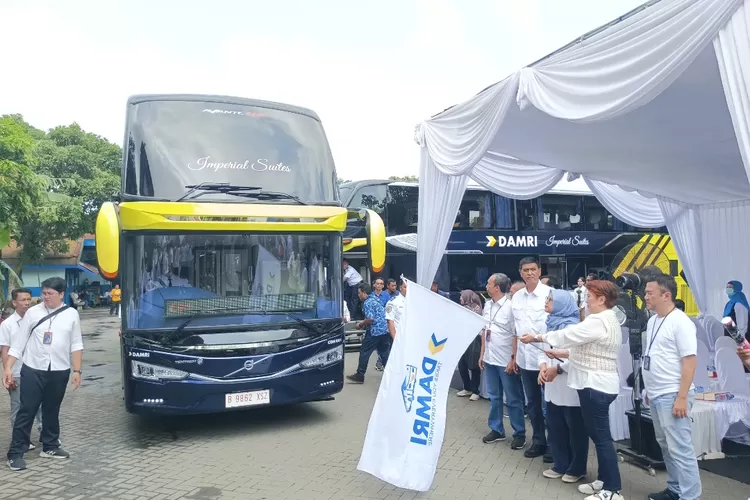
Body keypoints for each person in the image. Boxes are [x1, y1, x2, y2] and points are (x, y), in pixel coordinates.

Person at [520, 279, 623, 500]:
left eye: (590, 297)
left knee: (602, 439)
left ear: (602, 299)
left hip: (596, 385)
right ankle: (604, 481)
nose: (585, 301)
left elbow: (567, 336)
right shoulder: (607, 318)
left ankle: (612, 490)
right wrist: (560, 355)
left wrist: (538, 337)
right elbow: (585, 350)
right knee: (599, 437)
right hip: (595, 384)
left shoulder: (598, 320)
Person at [4, 277, 83, 471]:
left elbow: (76, 343)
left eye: (50, 293)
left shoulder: (71, 314)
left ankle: (50, 446)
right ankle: (15, 454)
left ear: (61, 294)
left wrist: (77, 370)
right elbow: (19, 343)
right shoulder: (32, 313)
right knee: (27, 410)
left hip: (59, 370)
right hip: (33, 369)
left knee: (51, 410)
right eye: (44, 293)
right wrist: (7, 368)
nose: (45, 297)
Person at [643, 275, 701, 500]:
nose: (645, 296)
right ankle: (675, 489)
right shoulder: (653, 320)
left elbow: (690, 360)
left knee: (681, 450)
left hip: (673, 394)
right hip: (657, 394)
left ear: (666, 295)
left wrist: (682, 397)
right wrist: (648, 389)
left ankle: (690, 496)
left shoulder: (681, 322)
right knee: (666, 446)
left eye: (650, 293)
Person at [539, 289, 588, 485]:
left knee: (575, 429)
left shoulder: (574, 328)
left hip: (570, 386)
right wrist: (542, 367)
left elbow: (578, 357)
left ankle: (577, 468)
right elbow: (544, 350)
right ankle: (560, 464)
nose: (546, 302)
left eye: (550, 299)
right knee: (555, 426)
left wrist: (557, 369)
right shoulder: (550, 325)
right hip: (552, 386)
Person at [479, 274, 526, 450]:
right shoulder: (488, 305)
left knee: (513, 398)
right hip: (490, 358)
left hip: (505, 359)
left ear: (497, 287)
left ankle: (519, 432)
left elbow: (516, 335)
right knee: (494, 396)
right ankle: (496, 429)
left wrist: (513, 358)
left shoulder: (510, 307)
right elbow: (485, 330)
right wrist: (482, 354)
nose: (486, 286)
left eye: (489, 283)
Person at [511, 256, 549, 458]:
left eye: (533, 269)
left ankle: (554, 444)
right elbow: (514, 330)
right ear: (520, 273)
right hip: (526, 361)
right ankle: (538, 441)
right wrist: (514, 355)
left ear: (539, 271)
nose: (529, 273)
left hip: (546, 358)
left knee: (550, 405)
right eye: (525, 270)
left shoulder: (549, 295)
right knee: (532, 404)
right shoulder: (517, 298)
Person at [0, 288, 43, 450]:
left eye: (28, 299)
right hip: (17, 372)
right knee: (18, 407)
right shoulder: (8, 324)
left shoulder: (37, 320)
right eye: (23, 300)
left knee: (40, 405)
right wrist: (7, 372)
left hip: (37, 370)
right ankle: (21, 439)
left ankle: (44, 434)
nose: (26, 303)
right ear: (14, 302)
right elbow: (5, 350)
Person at [346, 282, 389, 384]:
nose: (358, 295)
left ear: (364, 293)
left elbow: (370, 319)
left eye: (359, 293)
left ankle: (360, 375)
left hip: (374, 331)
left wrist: (360, 325)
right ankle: (391, 374)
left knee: (364, 352)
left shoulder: (367, 303)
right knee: (384, 354)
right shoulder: (376, 299)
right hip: (384, 330)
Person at [457, 290, 484, 401]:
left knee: (473, 365)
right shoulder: (461, 308)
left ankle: (475, 390)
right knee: (462, 364)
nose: (460, 299)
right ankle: (467, 387)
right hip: (463, 338)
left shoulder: (476, 308)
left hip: (474, 339)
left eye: (462, 296)